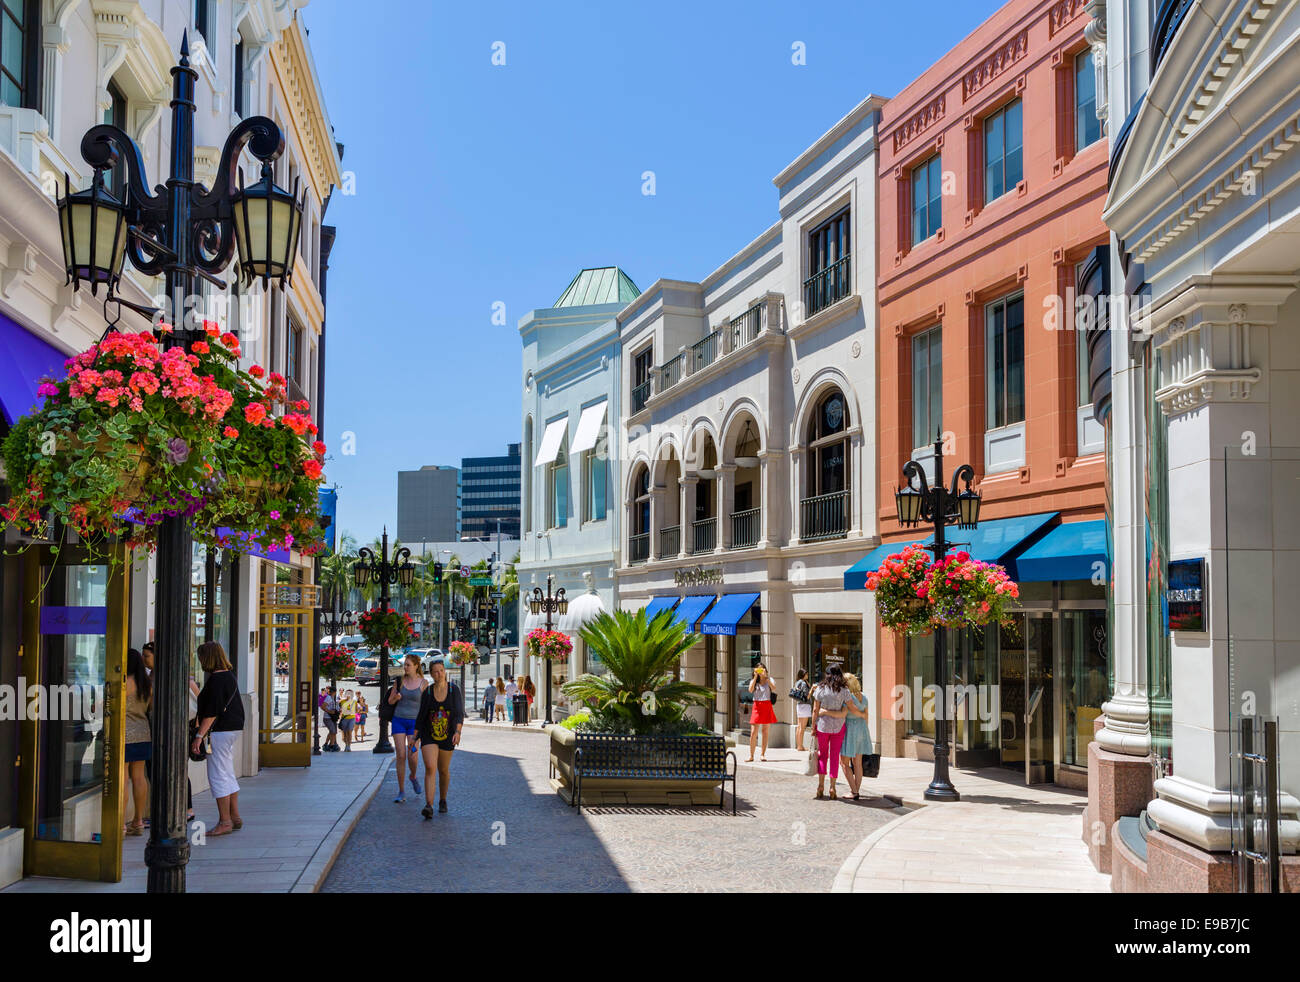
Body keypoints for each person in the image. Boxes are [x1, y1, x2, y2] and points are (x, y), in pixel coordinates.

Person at [191, 642, 245, 835]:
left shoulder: (216, 680)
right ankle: (235, 817)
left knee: (217, 775)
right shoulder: (229, 676)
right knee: (227, 772)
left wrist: (199, 736)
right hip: (232, 729)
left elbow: (212, 712)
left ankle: (225, 821)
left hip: (219, 732)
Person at [415, 659, 464, 817]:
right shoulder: (428, 693)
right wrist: (414, 737)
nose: (439, 674)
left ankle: (442, 799)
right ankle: (428, 805)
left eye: (441, 670)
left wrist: (457, 732)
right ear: (432, 674)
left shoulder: (453, 690)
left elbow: (458, 713)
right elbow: (421, 716)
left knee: (443, 770)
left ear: (445, 671)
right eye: (436, 671)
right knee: (430, 767)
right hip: (429, 734)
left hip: (448, 735)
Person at [386, 653, 426, 803]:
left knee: (413, 755)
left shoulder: (424, 683)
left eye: (408, 665)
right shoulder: (400, 681)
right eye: (405, 665)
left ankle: (413, 776)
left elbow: (426, 706)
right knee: (401, 755)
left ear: (416, 666)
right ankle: (401, 791)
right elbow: (390, 701)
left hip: (414, 725)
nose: (405, 667)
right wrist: (395, 698)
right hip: (399, 721)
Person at [122, 648, 152, 836]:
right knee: (140, 777)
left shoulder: (123, 683)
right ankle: (138, 821)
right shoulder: (146, 684)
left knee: (123, 779)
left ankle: (122, 824)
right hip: (143, 733)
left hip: (124, 734)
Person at [811, 664, 851, 800]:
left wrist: (812, 727)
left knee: (823, 755)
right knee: (835, 756)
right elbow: (849, 706)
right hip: (838, 727)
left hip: (823, 726)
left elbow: (815, 710)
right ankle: (833, 787)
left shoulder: (821, 689)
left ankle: (820, 785)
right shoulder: (844, 690)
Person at [839, 672, 872, 800]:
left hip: (850, 729)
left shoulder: (848, 698)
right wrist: (865, 728)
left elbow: (849, 711)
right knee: (857, 763)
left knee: (844, 762)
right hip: (862, 729)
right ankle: (856, 789)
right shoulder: (864, 697)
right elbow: (866, 715)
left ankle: (854, 791)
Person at [746, 663, 777, 762]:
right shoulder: (754, 681)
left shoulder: (769, 679)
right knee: (753, 732)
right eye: (758, 670)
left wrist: (766, 677)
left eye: (761, 670)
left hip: (767, 705)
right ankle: (751, 755)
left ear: (765, 670)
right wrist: (755, 677)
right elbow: (750, 690)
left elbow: (774, 688)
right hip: (757, 706)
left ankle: (763, 754)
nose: (760, 672)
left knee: (765, 731)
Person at [792, 668, 814, 752]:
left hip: (799, 705)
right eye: (806, 674)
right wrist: (811, 689)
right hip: (805, 705)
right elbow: (807, 697)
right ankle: (800, 746)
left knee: (799, 726)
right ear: (803, 675)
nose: (808, 675)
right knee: (802, 727)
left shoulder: (797, 682)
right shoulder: (804, 684)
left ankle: (799, 745)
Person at [321, 686, 340, 751]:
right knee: (333, 731)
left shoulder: (330, 697)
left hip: (331, 718)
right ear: (334, 692)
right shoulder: (328, 698)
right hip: (328, 717)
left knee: (332, 731)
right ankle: (331, 746)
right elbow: (322, 706)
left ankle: (327, 744)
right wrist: (330, 712)